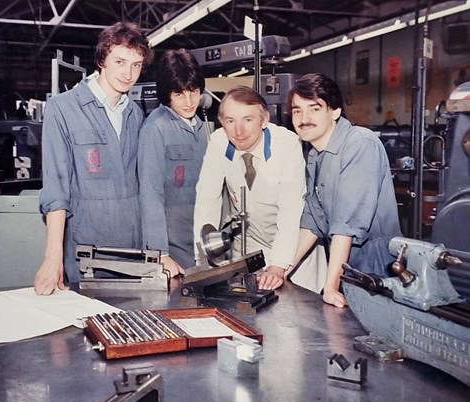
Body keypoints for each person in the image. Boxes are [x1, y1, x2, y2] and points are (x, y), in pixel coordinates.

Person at [258, 73, 402, 308]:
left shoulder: (359, 144)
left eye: (314, 109)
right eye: (297, 110)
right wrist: (282, 268)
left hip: (379, 270)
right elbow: (313, 223)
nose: (304, 118)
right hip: (350, 270)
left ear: (334, 112)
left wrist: (331, 284)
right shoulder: (315, 156)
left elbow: (345, 225)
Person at [34, 22, 153, 295]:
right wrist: (53, 258)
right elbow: (56, 190)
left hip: (132, 250)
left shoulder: (135, 114)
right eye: (120, 61)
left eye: (136, 65)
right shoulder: (62, 109)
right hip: (86, 249)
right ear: (102, 60)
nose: (128, 73)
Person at [194, 86, 306, 281]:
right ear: (221, 122)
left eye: (248, 119)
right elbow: (207, 200)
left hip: (292, 248)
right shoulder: (218, 141)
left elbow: (290, 212)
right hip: (250, 244)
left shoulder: (287, 144)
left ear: (264, 120)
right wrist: (203, 259)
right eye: (230, 121)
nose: (239, 131)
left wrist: (278, 265)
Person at [138, 49, 208, 276]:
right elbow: (151, 194)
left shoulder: (199, 125)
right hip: (172, 247)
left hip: (198, 239)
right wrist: (160, 252)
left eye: (194, 92)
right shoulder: (155, 128)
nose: (189, 102)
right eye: (179, 94)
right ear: (167, 94)